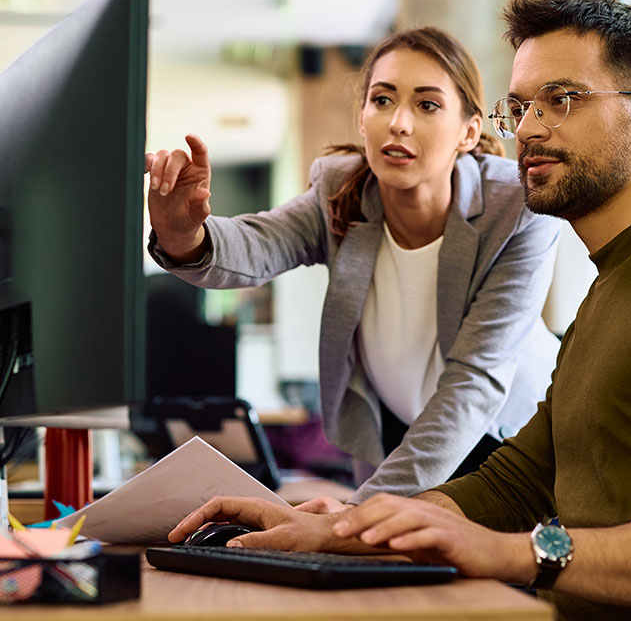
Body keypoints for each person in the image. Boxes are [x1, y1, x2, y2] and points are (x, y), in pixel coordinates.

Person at [168, 0, 631, 620]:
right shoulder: (606, 293)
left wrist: (520, 554)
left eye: (562, 100)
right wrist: (339, 531)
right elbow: (515, 482)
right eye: (520, 106)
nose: (527, 128)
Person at [146, 26, 562, 503]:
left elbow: (475, 382)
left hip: (510, 446)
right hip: (399, 443)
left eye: (427, 105)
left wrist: (358, 512)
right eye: (382, 100)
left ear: (468, 132)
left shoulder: (516, 208)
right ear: (362, 119)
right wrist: (185, 235)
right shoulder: (340, 191)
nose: (398, 122)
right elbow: (258, 244)